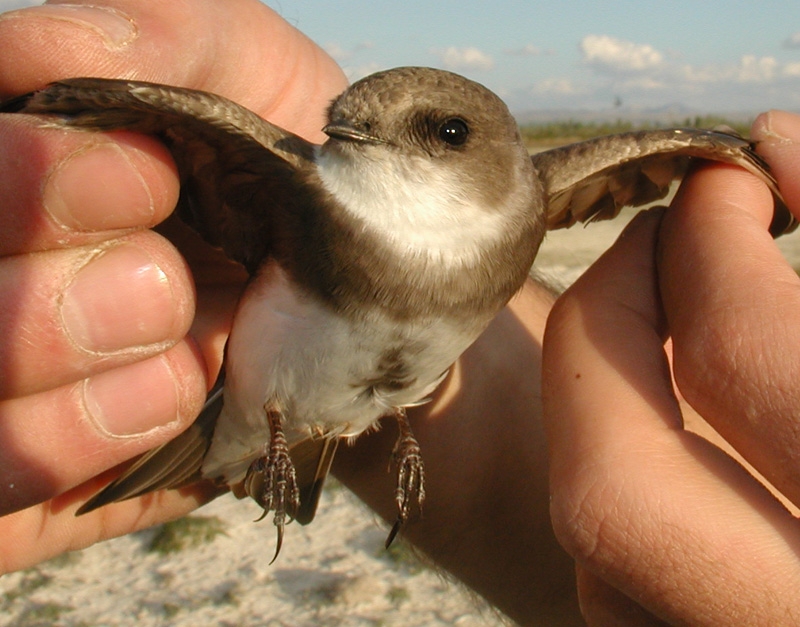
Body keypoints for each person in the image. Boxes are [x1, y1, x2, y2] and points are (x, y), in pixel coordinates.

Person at [1, 2, 799, 625]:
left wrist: (744, 176)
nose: (353, 135)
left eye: (444, 134)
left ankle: (334, 439)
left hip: (379, 394)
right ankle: (276, 441)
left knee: (718, 145)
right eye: (346, 123)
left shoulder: (525, 204)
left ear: (492, 156)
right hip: (259, 394)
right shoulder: (302, 191)